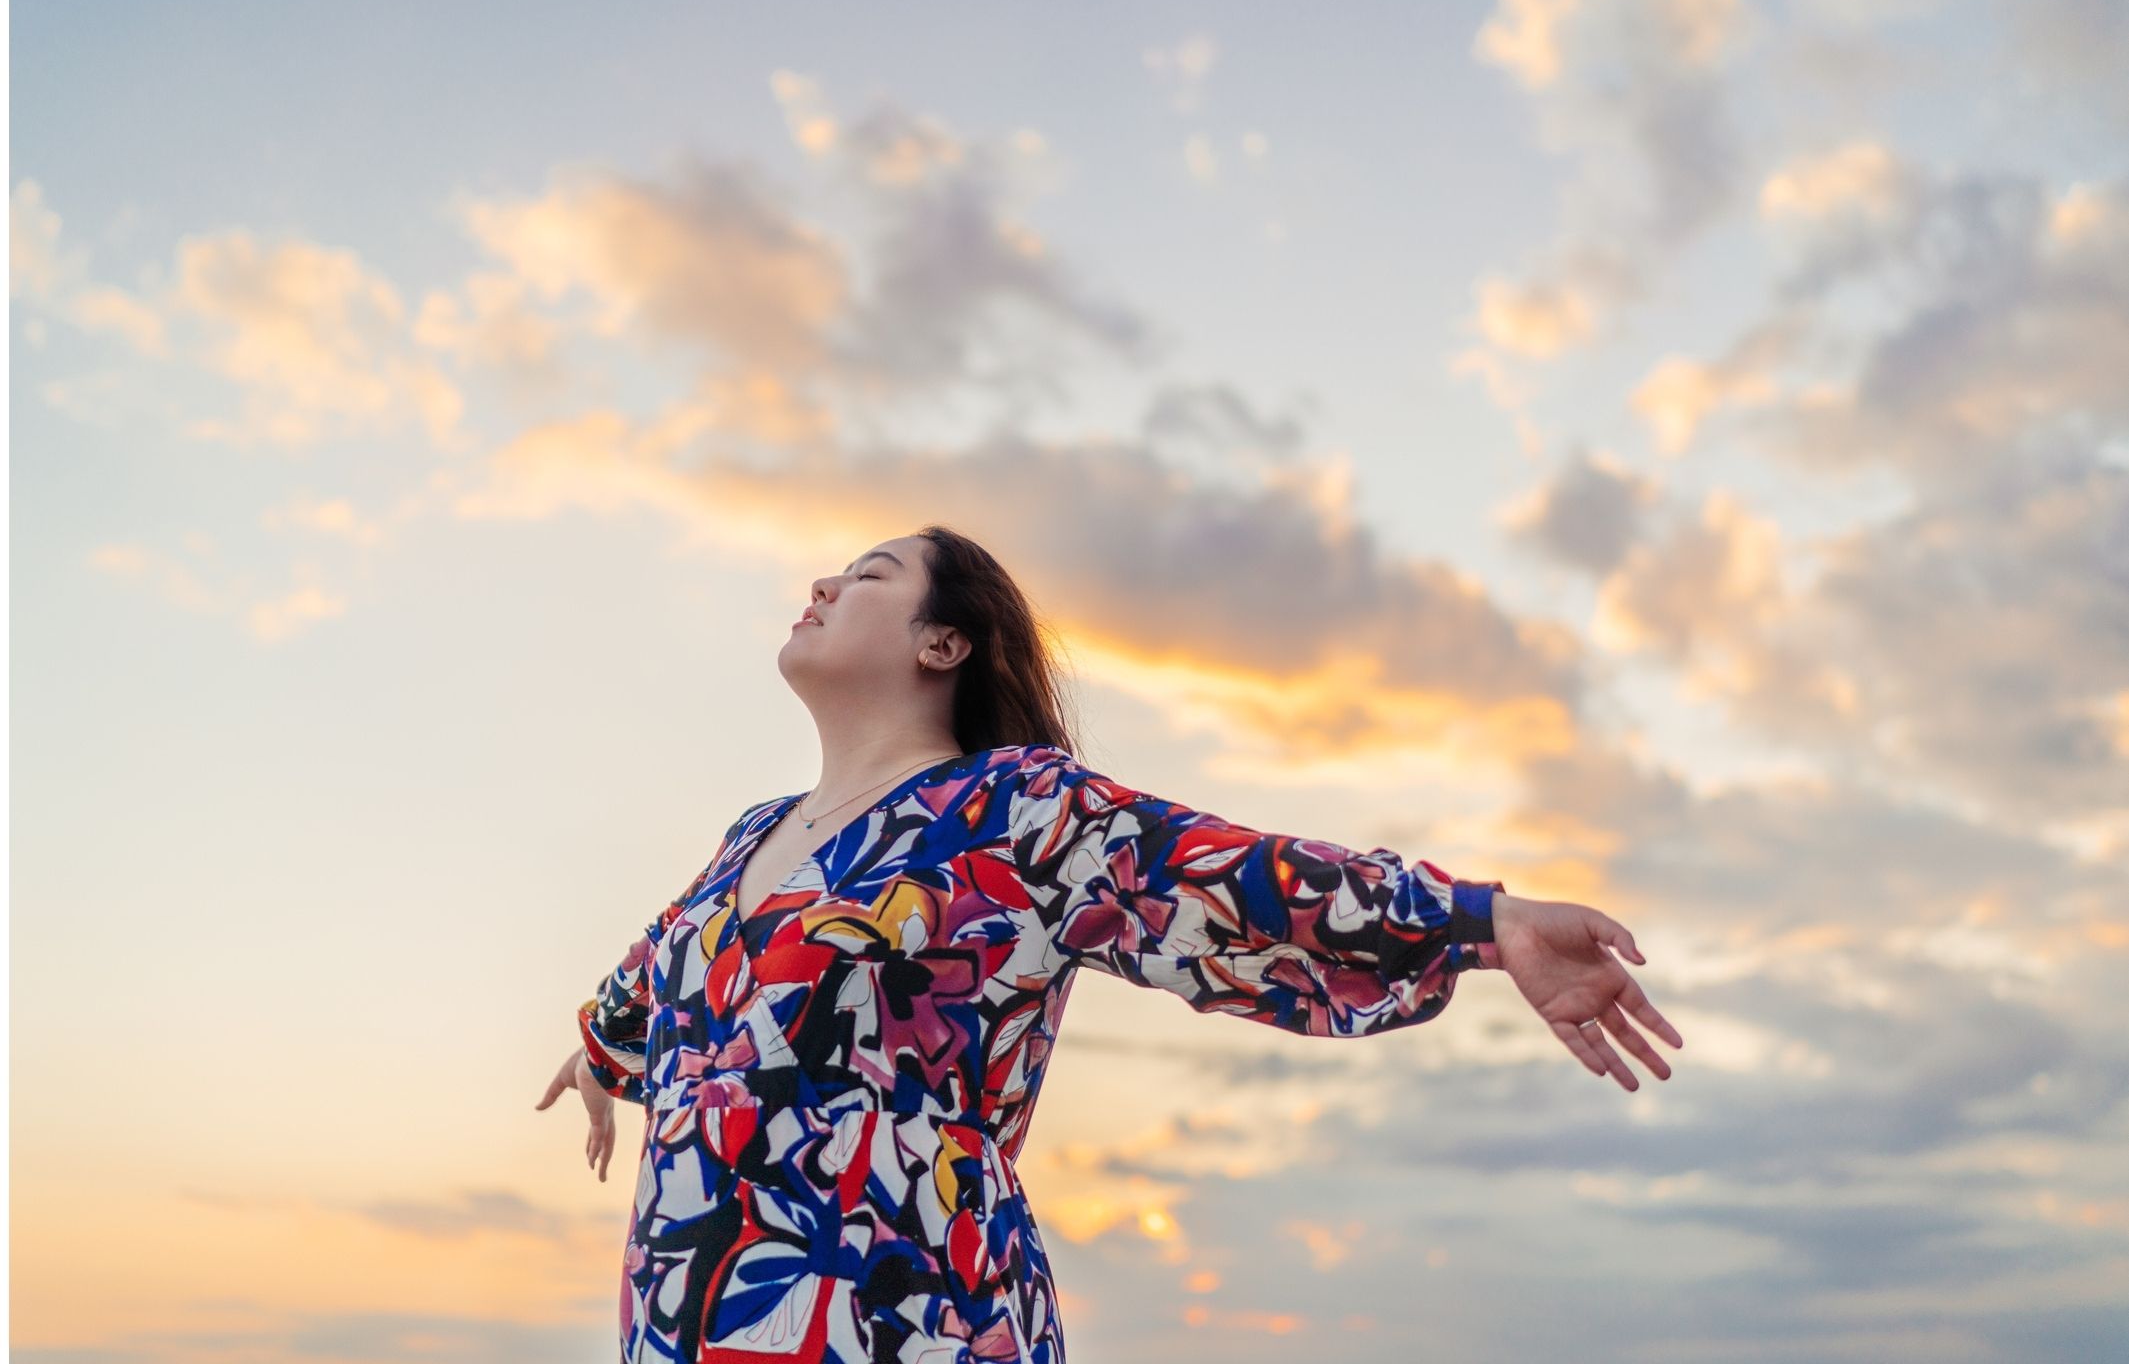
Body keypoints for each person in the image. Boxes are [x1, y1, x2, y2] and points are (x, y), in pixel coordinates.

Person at [535, 526, 1683, 1364]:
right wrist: (600, 1056)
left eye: (870, 573)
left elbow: (1232, 881)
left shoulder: (1016, 813)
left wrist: (1479, 919)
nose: (825, 580)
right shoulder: (750, 839)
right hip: (688, 1315)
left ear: (945, 642)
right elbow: (653, 989)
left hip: (903, 1313)